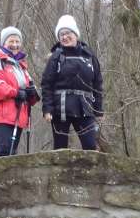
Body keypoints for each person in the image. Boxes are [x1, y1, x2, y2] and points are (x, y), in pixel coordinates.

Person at [41, 15, 103, 150]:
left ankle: (87, 171)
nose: (64, 37)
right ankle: (59, 172)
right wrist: (47, 109)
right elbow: (47, 84)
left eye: (67, 33)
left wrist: (98, 110)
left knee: (90, 146)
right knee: (60, 148)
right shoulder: (55, 57)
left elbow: (97, 84)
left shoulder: (89, 56)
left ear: (75, 34)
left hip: (85, 108)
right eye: (61, 34)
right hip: (60, 109)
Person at [0, 26, 39, 157]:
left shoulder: (19, 64)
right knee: (5, 152)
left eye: (17, 42)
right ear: (3, 42)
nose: (15, 45)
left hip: (18, 115)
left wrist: (32, 93)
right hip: (1, 115)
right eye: (11, 41)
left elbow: (31, 87)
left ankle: (7, 178)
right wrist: (16, 93)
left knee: (11, 154)